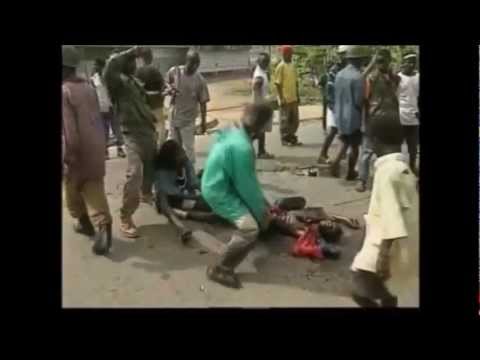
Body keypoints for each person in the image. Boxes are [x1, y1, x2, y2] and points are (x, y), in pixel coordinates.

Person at [202, 102, 274, 289]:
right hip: (219, 191)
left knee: (260, 207)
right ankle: (221, 269)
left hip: (223, 182)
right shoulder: (243, 147)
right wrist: (262, 214)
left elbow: (248, 181)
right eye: (270, 120)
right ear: (264, 123)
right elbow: (247, 188)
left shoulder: (237, 131)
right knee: (250, 229)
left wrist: (263, 203)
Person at [350, 116, 419, 308]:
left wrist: (383, 255)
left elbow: (392, 214)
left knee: (359, 290)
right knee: (389, 292)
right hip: (398, 246)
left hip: (382, 247)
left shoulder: (387, 172)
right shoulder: (403, 168)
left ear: (375, 141)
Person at [62, 46, 112, 255]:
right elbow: (101, 115)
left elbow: (69, 131)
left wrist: (68, 155)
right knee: (91, 187)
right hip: (97, 144)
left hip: (78, 150)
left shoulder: (64, 91)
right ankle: (92, 224)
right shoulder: (89, 86)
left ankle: (98, 226)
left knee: (74, 190)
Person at [103, 46, 158, 238]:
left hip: (147, 131)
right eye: (133, 61)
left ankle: (146, 194)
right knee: (135, 173)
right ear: (126, 64)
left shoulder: (133, 81)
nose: (136, 64)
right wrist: (133, 50)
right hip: (132, 133)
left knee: (151, 169)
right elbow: (110, 65)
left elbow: (140, 100)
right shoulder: (116, 82)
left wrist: (162, 94)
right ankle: (125, 216)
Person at [356, 48, 401, 192]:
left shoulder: (394, 77)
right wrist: (371, 65)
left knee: (388, 153)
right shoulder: (371, 78)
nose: (381, 64)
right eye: (379, 61)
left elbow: (396, 84)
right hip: (374, 119)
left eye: (383, 61)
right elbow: (362, 93)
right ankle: (362, 180)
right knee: (367, 152)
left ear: (389, 62)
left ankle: (385, 180)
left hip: (390, 119)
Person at [153, 139, 215, 243]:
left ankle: (184, 214)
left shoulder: (184, 160)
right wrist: (196, 197)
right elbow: (175, 194)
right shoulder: (162, 172)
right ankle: (180, 226)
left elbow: (193, 183)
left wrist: (209, 196)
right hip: (171, 199)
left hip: (183, 195)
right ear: (170, 159)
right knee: (163, 200)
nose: (182, 156)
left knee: (208, 204)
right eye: (179, 155)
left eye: (182, 152)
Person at [329, 45, 370, 180]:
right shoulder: (358, 77)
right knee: (354, 146)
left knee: (343, 141)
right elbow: (359, 101)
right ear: (359, 59)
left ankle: (335, 164)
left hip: (340, 115)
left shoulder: (340, 74)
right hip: (353, 116)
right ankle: (350, 171)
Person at [167, 50, 210, 168]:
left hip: (188, 121)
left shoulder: (200, 80)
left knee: (188, 150)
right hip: (174, 118)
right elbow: (166, 84)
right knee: (174, 148)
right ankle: (177, 174)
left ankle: (190, 175)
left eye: (197, 64)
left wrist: (203, 123)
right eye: (192, 63)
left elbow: (203, 103)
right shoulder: (174, 72)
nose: (194, 66)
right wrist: (170, 89)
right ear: (187, 61)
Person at [318, 45, 349, 164]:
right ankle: (323, 154)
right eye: (342, 55)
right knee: (334, 130)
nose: (344, 57)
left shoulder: (347, 69)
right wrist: (333, 106)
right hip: (336, 105)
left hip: (344, 105)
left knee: (342, 130)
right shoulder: (334, 70)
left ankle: (340, 154)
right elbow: (330, 90)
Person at [91, 58, 126, 159]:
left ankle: (120, 149)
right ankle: (105, 151)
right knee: (103, 130)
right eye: (94, 65)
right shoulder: (94, 78)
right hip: (100, 108)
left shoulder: (109, 77)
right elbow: (93, 92)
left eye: (96, 65)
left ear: (101, 66)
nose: (94, 67)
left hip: (112, 106)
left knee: (116, 129)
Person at [135, 48, 168, 147]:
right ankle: (160, 147)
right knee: (161, 126)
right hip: (157, 104)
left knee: (149, 127)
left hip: (144, 105)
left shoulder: (138, 72)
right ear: (151, 56)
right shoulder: (155, 70)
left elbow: (137, 89)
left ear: (142, 58)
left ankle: (151, 147)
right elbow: (163, 86)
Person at [397, 51, 419, 176]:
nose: (411, 64)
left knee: (413, 146)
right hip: (400, 116)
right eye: (408, 61)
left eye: (413, 62)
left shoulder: (418, 77)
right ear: (403, 63)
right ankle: (400, 168)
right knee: (398, 145)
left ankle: (412, 166)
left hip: (414, 117)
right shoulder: (397, 78)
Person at [275, 45, 302, 146]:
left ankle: (292, 137)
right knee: (285, 120)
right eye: (290, 54)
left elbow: (296, 82)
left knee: (294, 120)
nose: (291, 56)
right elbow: (278, 84)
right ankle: (285, 139)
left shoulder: (293, 65)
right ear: (285, 54)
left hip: (293, 97)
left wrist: (298, 95)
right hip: (285, 99)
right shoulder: (280, 66)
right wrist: (281, 98)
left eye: (292, 54)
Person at [252, 52, 274, 159]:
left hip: (261, 104)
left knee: (259, 130)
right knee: (260, 130)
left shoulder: (262, 71)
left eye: (266, 61)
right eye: (263, 61)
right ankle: (261, 152)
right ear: (259, 62)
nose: (265, 63)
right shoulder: (259, 76)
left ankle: (261, 151)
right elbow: (256, 88)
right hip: (260, 105)